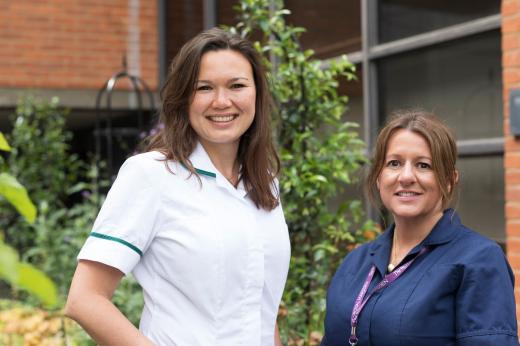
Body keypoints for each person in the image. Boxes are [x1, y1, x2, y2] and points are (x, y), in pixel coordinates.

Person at [65, 28, 290, 346]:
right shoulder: (151, 176)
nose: (222, 101)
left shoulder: (265, 182)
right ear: (184, 98)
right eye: (204, 88)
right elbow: (85, 299)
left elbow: (258, 310)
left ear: (257, 94)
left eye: (237, 85)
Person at [322, 110, 519, 346]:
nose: (406, 176)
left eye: (423, 165)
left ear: (449, 179)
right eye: (394, 163)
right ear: (378, 178)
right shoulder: (355, 263)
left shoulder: (479, 260)